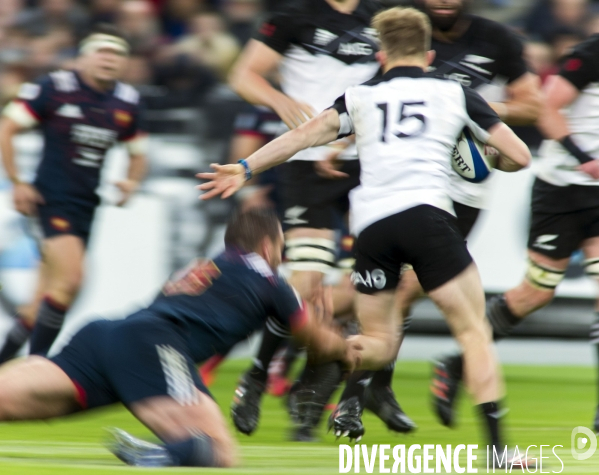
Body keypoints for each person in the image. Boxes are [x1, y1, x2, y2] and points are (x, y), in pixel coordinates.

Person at [198, 6, 531, 455]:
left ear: (381, 54)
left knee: (374, 342)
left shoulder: (359, 95)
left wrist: (245, 166)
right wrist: (486, 156)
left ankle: (312, 361)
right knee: (473, 332)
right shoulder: (455, 93)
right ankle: (497, 454)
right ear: (430, 55)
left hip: (372, 229)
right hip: (427, 217)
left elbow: (305, 136)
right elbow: (520, 157)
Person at [0, 209, 360, 468]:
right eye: (281, 249)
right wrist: (345, 346)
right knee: (219, 452)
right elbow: (317, 343)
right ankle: (166, 454)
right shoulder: (270, 279)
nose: (282, 258)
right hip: (153, 344)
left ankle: (172, 450)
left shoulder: (202, 266)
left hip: (105, 335)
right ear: (268, 247)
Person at [226, 0, 401, 441]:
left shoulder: (382, 15)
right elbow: (243, 74)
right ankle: (258, 375)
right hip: (307, 160)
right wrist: (279, 99)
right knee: (304, 286)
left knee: (358, 295)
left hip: (371, 164)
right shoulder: (294, 14)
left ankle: (311, 394)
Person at [434, 33, 599, 432]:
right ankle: (458, 362)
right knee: (535, 293)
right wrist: (585, 159)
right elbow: (547, 109)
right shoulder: (590, 54)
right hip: (562, 188)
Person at [0, 25, 147, 362]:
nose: (110, 59)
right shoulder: (54, 87)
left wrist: (131, 181)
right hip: (50, 198)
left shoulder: (128, 101)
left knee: (42, 299)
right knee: (71, 279)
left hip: (86, 204)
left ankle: (4, 364)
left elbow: (139, 153)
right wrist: (18, 181)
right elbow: (6, 128)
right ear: (82, 58)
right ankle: (38, 365)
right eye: (102, 51)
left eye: (118, 53)